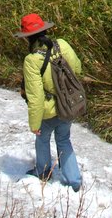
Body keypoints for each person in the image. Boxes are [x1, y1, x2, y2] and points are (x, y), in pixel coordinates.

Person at [15, 13, 82, 190]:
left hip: (48, 111)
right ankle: (74, 180)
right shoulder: (63, 45)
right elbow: (77, 69)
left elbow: (35, 96)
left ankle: (43, 172)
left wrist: (34, 124)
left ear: (28, 37)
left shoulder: (32, 60)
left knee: (42, 138)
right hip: (68, 105)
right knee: (64, 140)